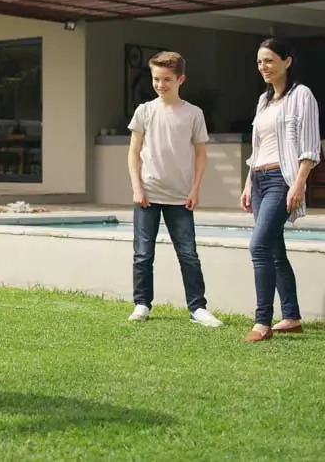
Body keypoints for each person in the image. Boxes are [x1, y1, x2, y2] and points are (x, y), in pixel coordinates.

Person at [126, 51, 223, 327]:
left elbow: (201, 155)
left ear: (181, 79)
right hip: (147, 195)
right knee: (143, 254)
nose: (160, 84)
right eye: (156, 79)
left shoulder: (194, 114)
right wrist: (137, 188)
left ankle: (198, 308)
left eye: (166, 79)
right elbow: (133, 153)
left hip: (181, 197)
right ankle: (142, 304)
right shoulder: (144, 111)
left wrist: (195, 189)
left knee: (188, 254)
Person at [240, 37, 320, 343]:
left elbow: (311, 148)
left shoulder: (302, 96)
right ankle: (291, 316)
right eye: (260, 61)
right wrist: (248, 182)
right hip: (259, 180)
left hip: (281, 180)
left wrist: (298, 183)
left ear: (287, 61)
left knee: (258, 246)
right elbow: (258, 147)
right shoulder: (264, 101)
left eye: (269, 60)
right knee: (274, 250)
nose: (263, 67)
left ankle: (262, 322)